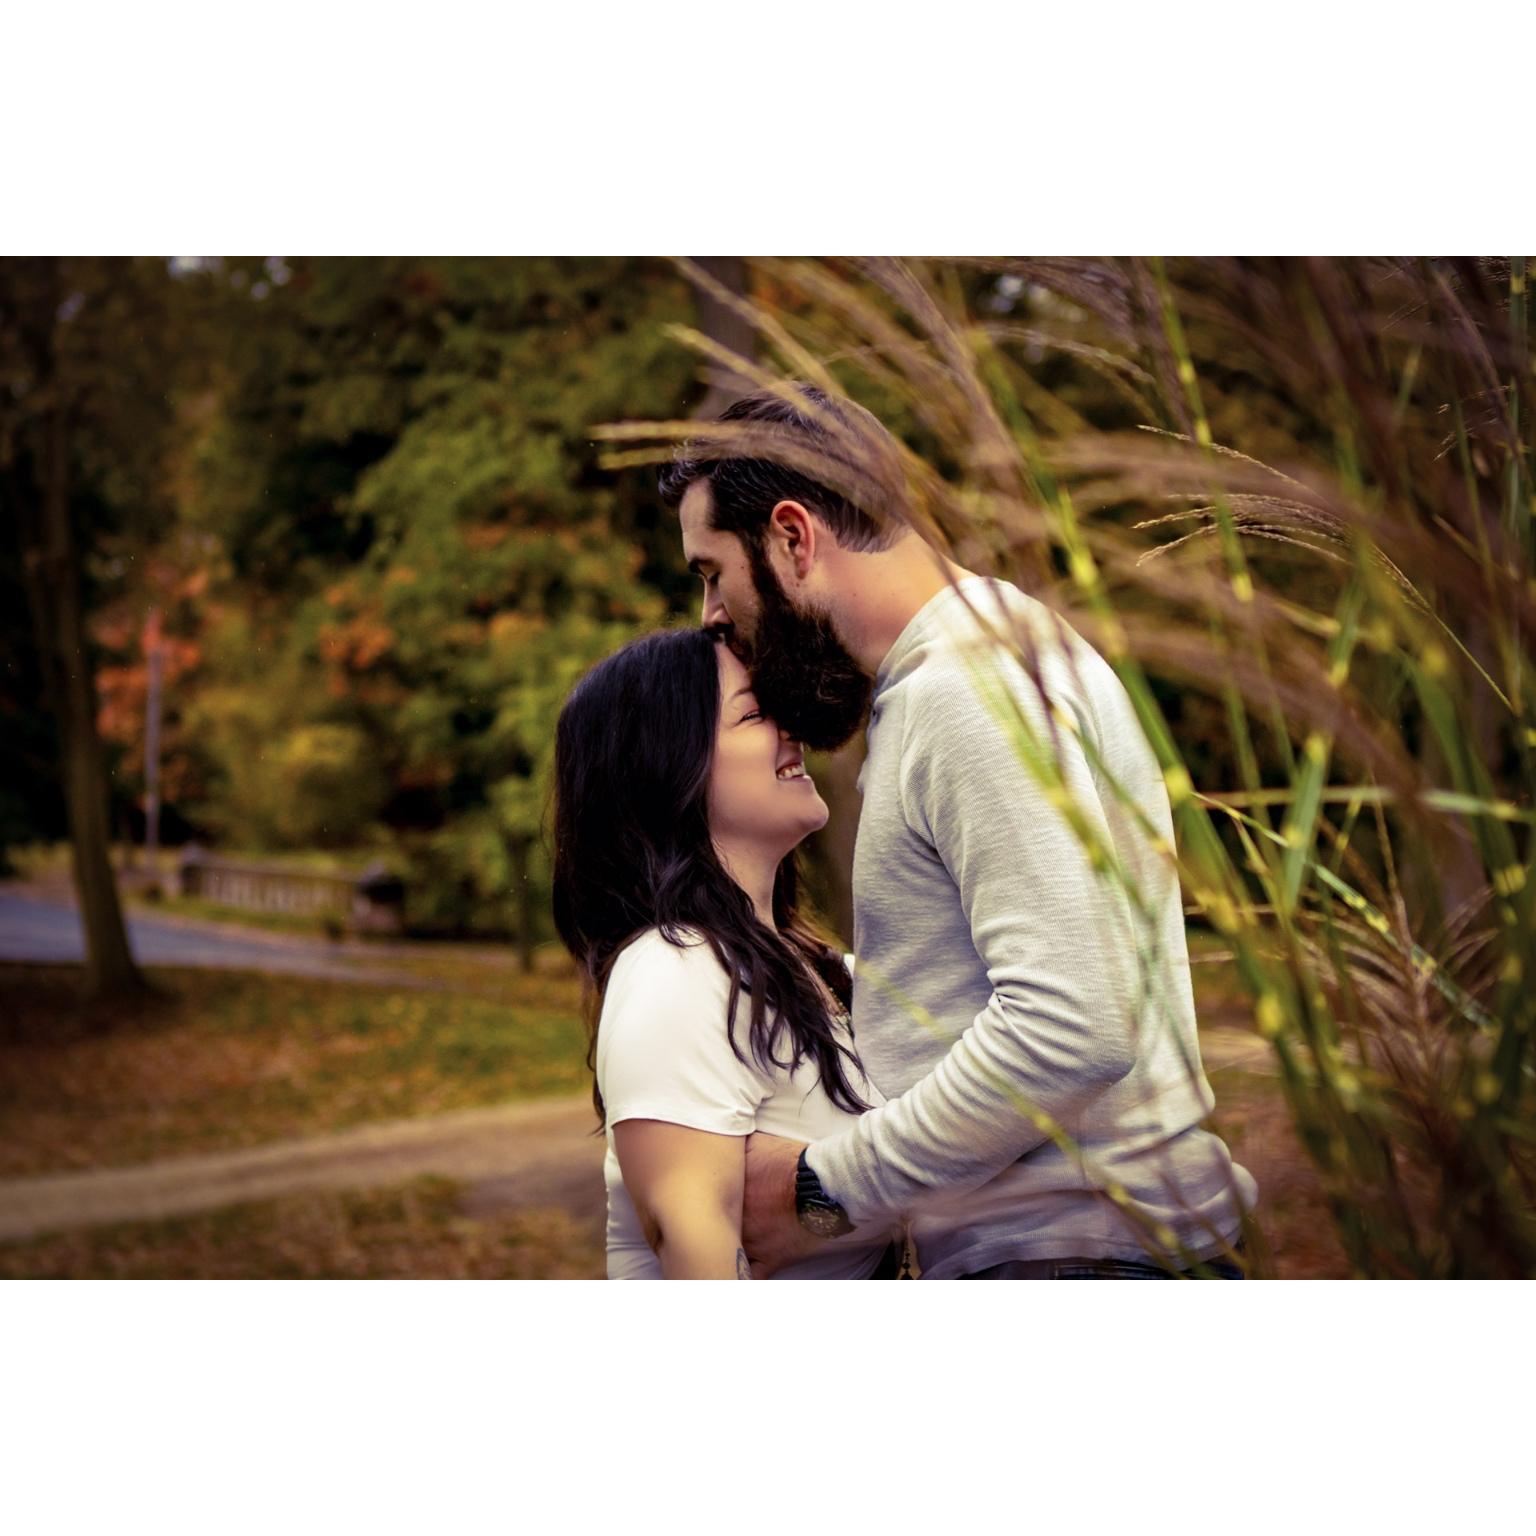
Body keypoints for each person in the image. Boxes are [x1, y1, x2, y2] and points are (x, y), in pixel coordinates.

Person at [661, 385, 1258, 1280]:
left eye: (713, 572)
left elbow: (1073, 1027)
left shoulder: (964, 690)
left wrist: (825, 1188)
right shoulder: (989, 655)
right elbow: (1011, 979)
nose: (711, 613)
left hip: (1069, 1262)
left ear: (792, 537)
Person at [551, 625, 901, 1279]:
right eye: (754, 712)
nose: (790, 727)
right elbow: (696, 1243)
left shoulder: (829, 973)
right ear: (668, 764)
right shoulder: (674, 970)